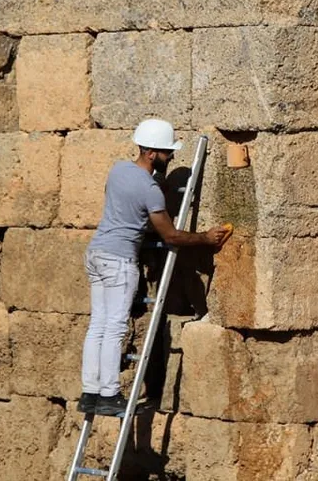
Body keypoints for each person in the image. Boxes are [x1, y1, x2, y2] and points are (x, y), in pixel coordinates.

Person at [77, 119, 231, 416]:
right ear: (151, 153)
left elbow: (127, 208)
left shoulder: (118, 170)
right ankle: (108, 394)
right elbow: (171, 235)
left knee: (98, 325)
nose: (170, 157)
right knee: (115, 328)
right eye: (166, 152)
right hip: (119, 260)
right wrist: (204, 238)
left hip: (96, 253)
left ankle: (90, 393)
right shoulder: (150, 189)